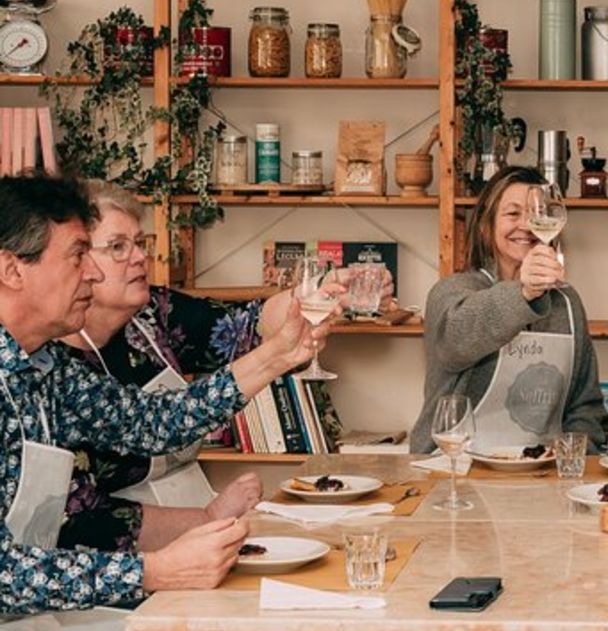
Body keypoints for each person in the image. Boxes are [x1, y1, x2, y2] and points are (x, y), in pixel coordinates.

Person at [0, 173, 326, 615]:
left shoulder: (44, 366)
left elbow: (150, 424)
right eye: (79, 255)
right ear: (12, 269)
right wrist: (154, 570)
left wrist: (276, 357)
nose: (93, 272)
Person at [57, 180, 387, 555]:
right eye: (118, 247)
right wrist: (209, 517)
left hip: (200, 526)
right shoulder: (52, 362)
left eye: (140, 243)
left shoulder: (153, 315)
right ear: (78, 260)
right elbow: (81, 520)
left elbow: (247, 325)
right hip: (121, 562)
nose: (138, 257)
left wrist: (311, 294)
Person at [409, 167, 605, 453]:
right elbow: (455, 341)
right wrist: (524, 293)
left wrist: (574, 460)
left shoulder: (568, 303)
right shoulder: (451, 291)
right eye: (513, 214)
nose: (526, 225)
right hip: (454, 473)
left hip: (540, 477)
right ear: (486, 228)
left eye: (537, 213)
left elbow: (584, 407)